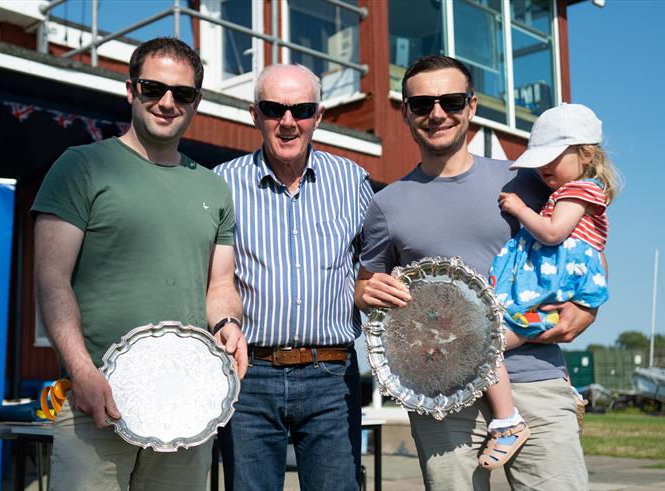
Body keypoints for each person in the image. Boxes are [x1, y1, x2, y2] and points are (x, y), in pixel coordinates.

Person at [354, 55, 598, 490]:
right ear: (405, 112)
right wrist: (366, 293)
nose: (437, 114)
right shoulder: (386, 204)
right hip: (443, 392)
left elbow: (582, 237)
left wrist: (587, 307)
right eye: (422, 104)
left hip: (534, 377)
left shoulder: (525, 180)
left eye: (450, 101)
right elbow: (366, 285)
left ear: (471, 107)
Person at [32, 37, 248, 491]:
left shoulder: (214, 188)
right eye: (153, 88)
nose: (167, 102)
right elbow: (52, 282)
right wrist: (82, 372)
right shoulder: (81, 166)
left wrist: (228, 321)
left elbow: (220, 286)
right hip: (97, 397)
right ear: (131, 89)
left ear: (197, 103)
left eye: (182, 94)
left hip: (187, 406)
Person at [213, 64, 374, 491]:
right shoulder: (223, 182)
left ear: (318, 116)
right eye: (274, 109)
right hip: (249, 375)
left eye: (301, 109)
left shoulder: (352, 180)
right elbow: (211, 277)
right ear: (254, 115)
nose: (288, 122)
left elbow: (375, 263)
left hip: (332, 373)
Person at [478, 103, 618, 470]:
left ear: (586, 154)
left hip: (543, 298)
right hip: (544, 299)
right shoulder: (570, 190)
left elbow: (554, 233)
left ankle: (507, 422)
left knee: (484, 346)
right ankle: (568, 392)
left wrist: (520, 209)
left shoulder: (580, 192)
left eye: (552, 158)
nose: (543, 168)